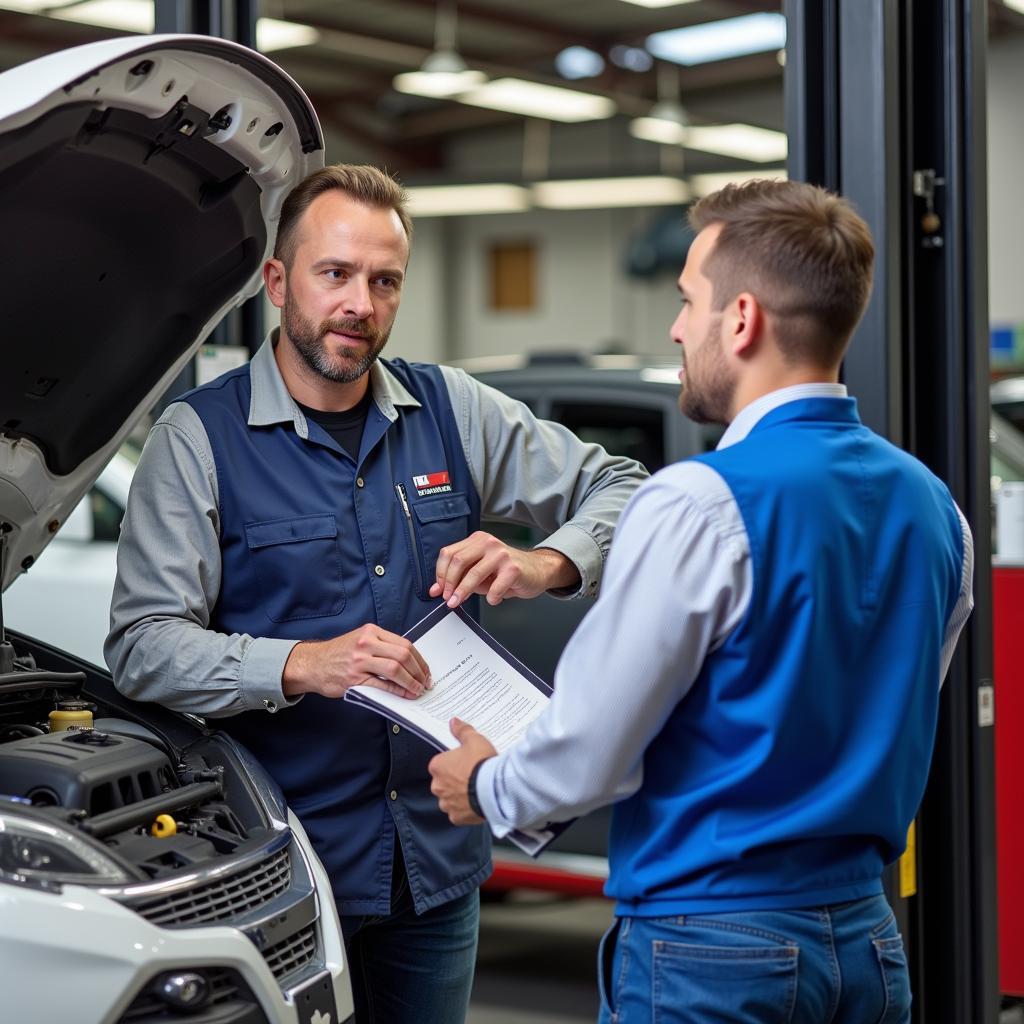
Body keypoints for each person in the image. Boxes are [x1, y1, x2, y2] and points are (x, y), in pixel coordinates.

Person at [105, 163, 648, 1023]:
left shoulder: (451, 409)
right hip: (284, 867)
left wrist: (546, 562)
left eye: (384, 280)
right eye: (336, 274)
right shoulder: (198, 439)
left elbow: (624, 486)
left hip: (437, 867)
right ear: (279, 283)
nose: (361, 302)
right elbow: (142, 645)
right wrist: (303, 664)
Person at [429, 179, 974, 1023]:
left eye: (688, 301)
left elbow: (593, 748)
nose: (678, 327)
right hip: (867, 944)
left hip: (711, 952)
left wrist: (487, 785)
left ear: (743, 319)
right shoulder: (935, 507)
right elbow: (887, 705)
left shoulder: (698, 503)